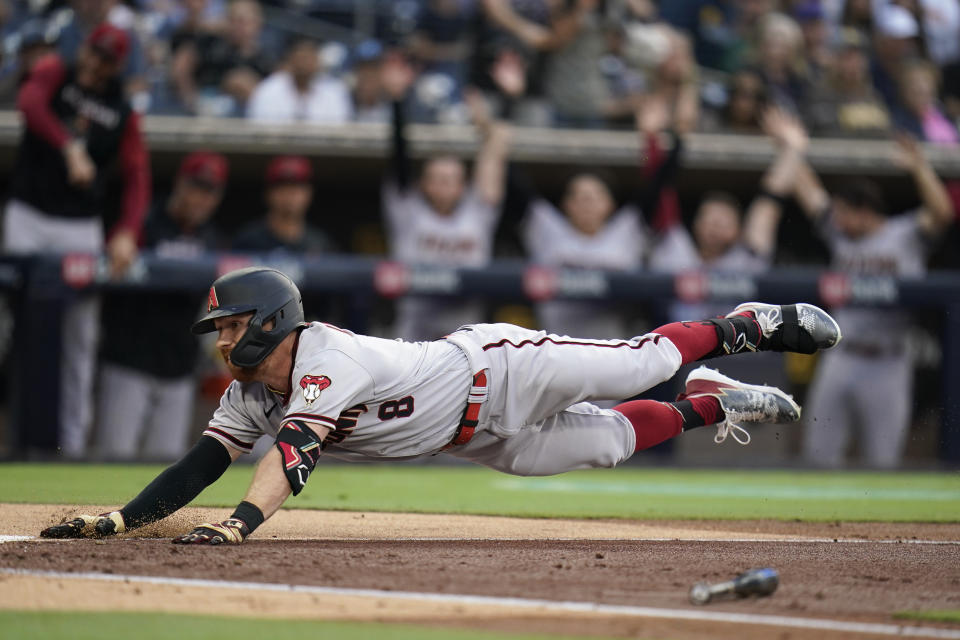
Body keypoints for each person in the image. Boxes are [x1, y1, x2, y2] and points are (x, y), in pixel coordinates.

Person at [40, 266, 841, 544]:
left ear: (274, 320)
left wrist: (241, 523)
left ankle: (744, 326)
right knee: (609, 446)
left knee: (643, 364)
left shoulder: (326, 354)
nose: (224, 341)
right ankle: (706, 406)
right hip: (473, 438)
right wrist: (121, 519)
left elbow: (292, 457)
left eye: (235, 325)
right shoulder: (254, 390)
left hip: (498, 368)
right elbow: (201, 462)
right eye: (220, 329)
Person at [3, 22, 151, 458]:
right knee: (9, 325)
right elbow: (30, 104)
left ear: (116, 65)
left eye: (106, 58)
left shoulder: (121, 109)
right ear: (83, 47)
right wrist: (70, 146)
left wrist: (126, 230)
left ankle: (70, 444)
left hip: (79, 225)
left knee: (80, 337)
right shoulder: (55, 71)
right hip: (28, 214)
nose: (94, 62)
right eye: (93, 52)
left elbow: (137, 176)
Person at [791, 133, 954, 468]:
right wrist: (791, 148)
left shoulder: (904, 234)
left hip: (888, 361)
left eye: (842, 213)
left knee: (882, 461)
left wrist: (920, 167)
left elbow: (942, 213)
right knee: (819, 456)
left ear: (863, 211)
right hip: (841, 357)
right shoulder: (842, 237)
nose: (835, 220)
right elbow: (809, 193)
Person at [95, 151, 228, 461]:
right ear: (180, 183)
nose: (201, 198)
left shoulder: (213, 240)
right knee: (113, 460)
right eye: (196, 186)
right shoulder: (143, 224)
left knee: (163, 466)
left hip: (179, 370)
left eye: (210, 191)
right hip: (127, 363)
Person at [381, 52, 510, 341]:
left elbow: (495, 153)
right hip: (413, 340)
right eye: (437, 179)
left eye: (451, 180)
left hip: (466, 343)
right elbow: (399, 158)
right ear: (424, 184)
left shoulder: (477, 211)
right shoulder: (408, 210)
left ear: (463, 185)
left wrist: (490, 120)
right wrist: (398, 101)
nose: (443, 186)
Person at [232, 155, 336, 255]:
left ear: (309, 193)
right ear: (268, 193)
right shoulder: (248, 240)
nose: (289, 194)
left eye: (296, 187)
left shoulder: (320, 243)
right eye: (282, 187)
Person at [247, 36, 352, 124]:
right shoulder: (268, 89)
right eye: (301, 57)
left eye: (309, 57)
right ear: (290, 59)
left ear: (317, 60)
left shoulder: (334, 91)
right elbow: (259, 130)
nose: (304, 63)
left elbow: (340, 130)